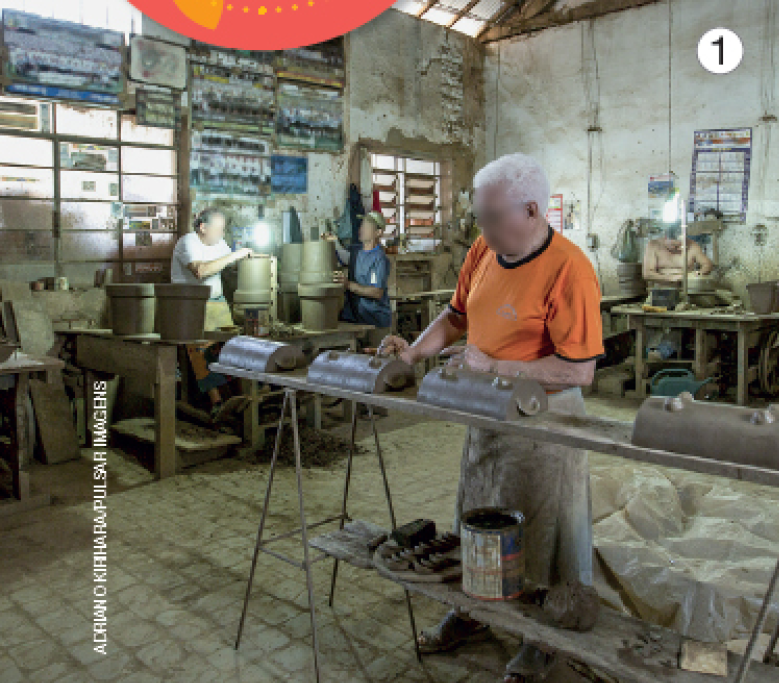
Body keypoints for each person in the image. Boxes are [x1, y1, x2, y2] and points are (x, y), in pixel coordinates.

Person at [380, 153, 604, 683]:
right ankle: (474, 611)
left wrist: (493, 365)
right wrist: (412, 353)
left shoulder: (571, 269)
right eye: (476, 217)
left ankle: (539, 639)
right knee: (477, 514)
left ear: (530, 210)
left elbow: (580, 372)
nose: (478, 229)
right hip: (488, 412)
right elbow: (456, 315)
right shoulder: (485, 249)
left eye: (490, 217)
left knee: (541, 533)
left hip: (546, 423)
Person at [171, 208, 254, 419]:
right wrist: (235, 255)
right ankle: (216, 402)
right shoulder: (187, 243)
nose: (221, 235)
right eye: (218, 229)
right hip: (191, 305)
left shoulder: (219, 243)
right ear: (203, 227)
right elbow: (200, 271)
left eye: (222, 230)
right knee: (202, 350)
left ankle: (243, 399)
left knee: (232, 345)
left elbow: (229, 264)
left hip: (217, 303)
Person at [325, 210, 392, 348]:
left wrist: (348, 285)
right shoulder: (356, 252)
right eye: (362, 226)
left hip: (374, 321)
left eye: (367, 227)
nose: (361, 229)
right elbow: (343, 255)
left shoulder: (378, 259)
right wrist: (332, 242)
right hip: (354, 319)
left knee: (375, 362)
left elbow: (376, 292)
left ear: (378, 232)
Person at [643, 225, 714, 286]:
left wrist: (700, 272)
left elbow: (707, 264)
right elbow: (647, 274)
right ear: (665, 238)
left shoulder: (692, 245)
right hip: (662, 289)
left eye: (682, 245)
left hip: (687, 288)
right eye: (674, 245)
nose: (679, 248)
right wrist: (670, 278)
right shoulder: (653, 245)